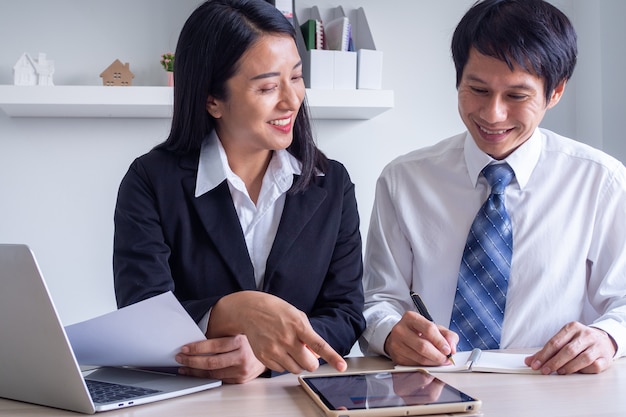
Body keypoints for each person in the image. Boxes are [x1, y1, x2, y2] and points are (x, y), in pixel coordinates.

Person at [360, 0, 626, 375]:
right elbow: (378, 299)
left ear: (556, 92)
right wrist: (389, 333)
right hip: (433, 384)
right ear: (458, 80)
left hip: (553, 387)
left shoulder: (601, 181)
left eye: (516, 96)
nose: (492, 114)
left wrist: (607, 337)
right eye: (478, 90)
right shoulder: (403, 180)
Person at [113, 0, 365, 384]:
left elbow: (345, 315)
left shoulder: (332, 184)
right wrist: (230, 312)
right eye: (267, 86)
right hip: (191, 402)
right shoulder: (150, 181)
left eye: (296, 77)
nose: (291, 100)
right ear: (212, 100)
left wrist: (269, 356)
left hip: (294, 399)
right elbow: (141, 312)